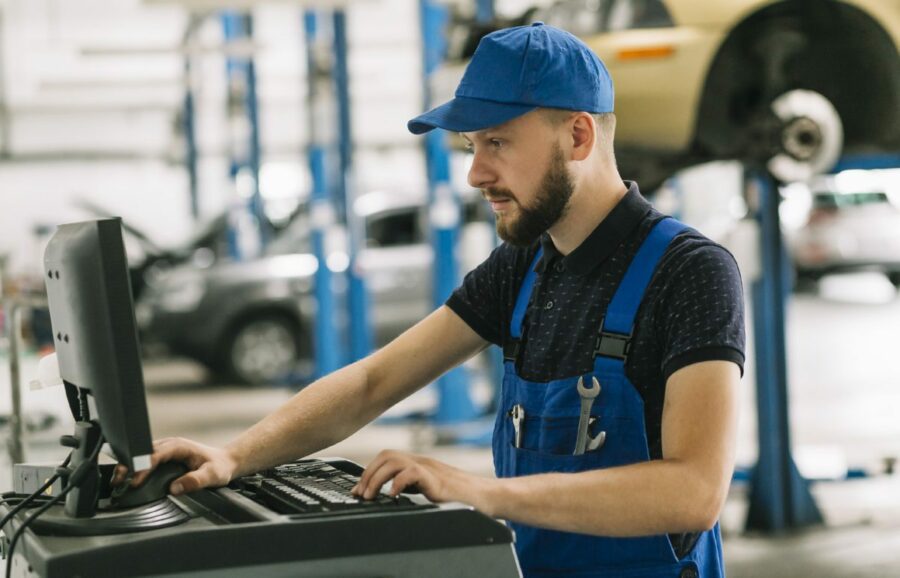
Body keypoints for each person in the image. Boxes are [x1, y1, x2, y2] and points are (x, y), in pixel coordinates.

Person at [120, 23, 744, 578]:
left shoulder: (689, 272)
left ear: (578, 136)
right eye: (473, 147)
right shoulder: (523, 267)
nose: (475, 174)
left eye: (497, 142)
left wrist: (481, 492)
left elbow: (693, 491)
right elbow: (373, 382)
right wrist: (234, 455)